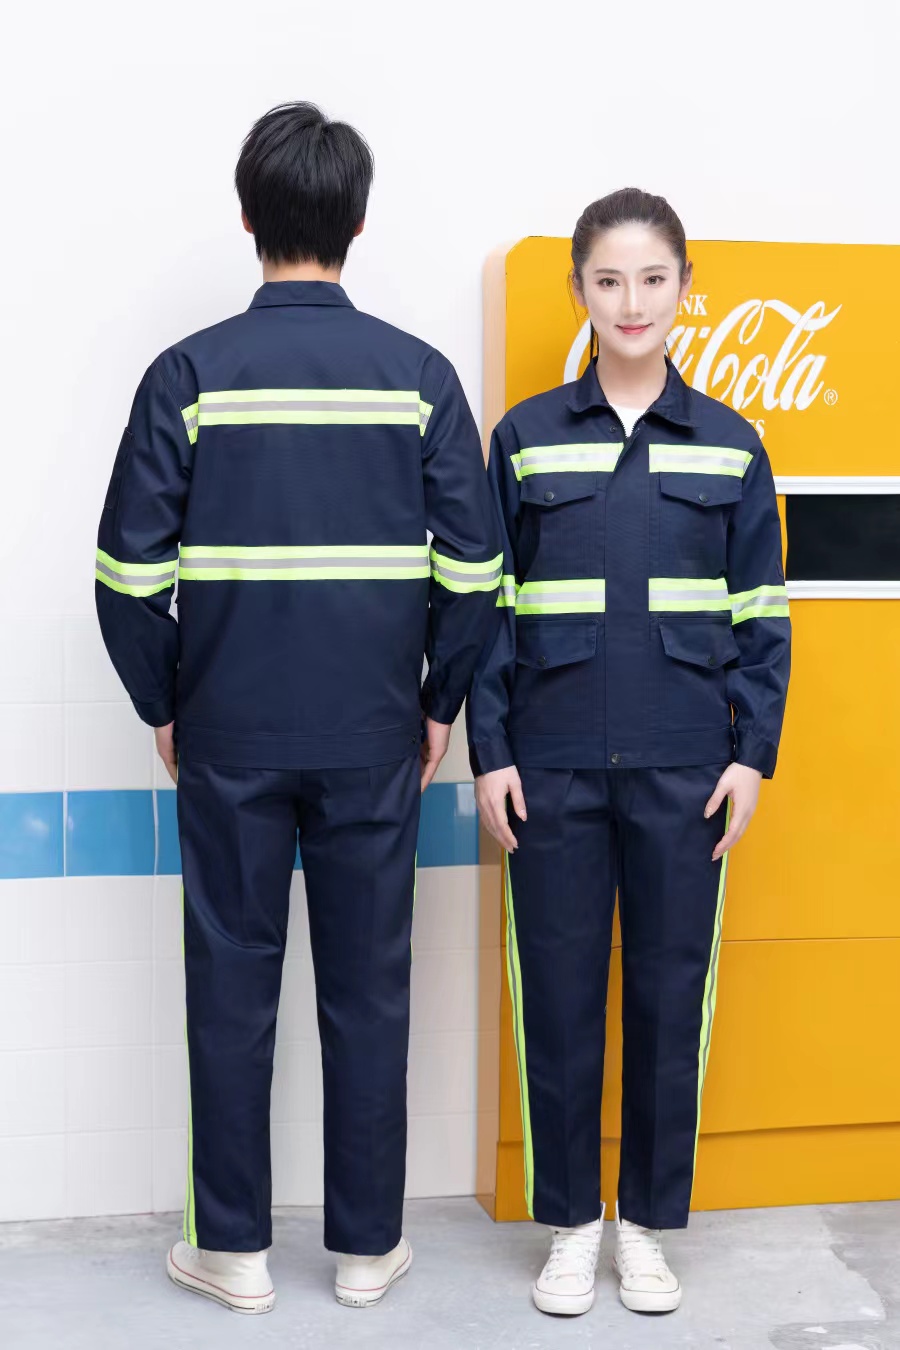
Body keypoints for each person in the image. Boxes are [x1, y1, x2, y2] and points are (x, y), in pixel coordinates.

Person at [95, 101, 500, 1315]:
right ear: (358, 223)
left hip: (228, 735)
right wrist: (438, 702)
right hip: (376, 737)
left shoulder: (189, 376)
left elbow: (125, 576)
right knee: (369, 989)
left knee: (231, 987)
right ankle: (369, 1250)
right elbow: (477, 570)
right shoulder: (419, 378)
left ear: (246, 216)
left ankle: (232, 1252)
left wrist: (167, 701)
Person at [467, 188, 790, 1318]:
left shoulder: (733, 447)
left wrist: (752, 757)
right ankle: (571, 1226)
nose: (632, 301)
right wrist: (490, 752)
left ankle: (645, 1226)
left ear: (685, 288)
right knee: (558, 1000)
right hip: (550, 769)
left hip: (686, 770)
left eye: (653, 278)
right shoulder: (522, 440)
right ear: (579, 292)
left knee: (667, 998)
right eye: (608, 279)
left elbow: (763, 615)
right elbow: (488, 610)